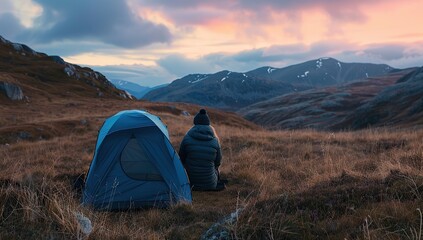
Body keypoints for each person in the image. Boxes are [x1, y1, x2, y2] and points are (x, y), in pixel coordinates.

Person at [179, 109, 224, 191]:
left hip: (190, 182)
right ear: (208, 123)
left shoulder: (187, 138)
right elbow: (218, 162)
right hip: (210, 184)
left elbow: (181, 158)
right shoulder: (215, 140)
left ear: (195, 122)